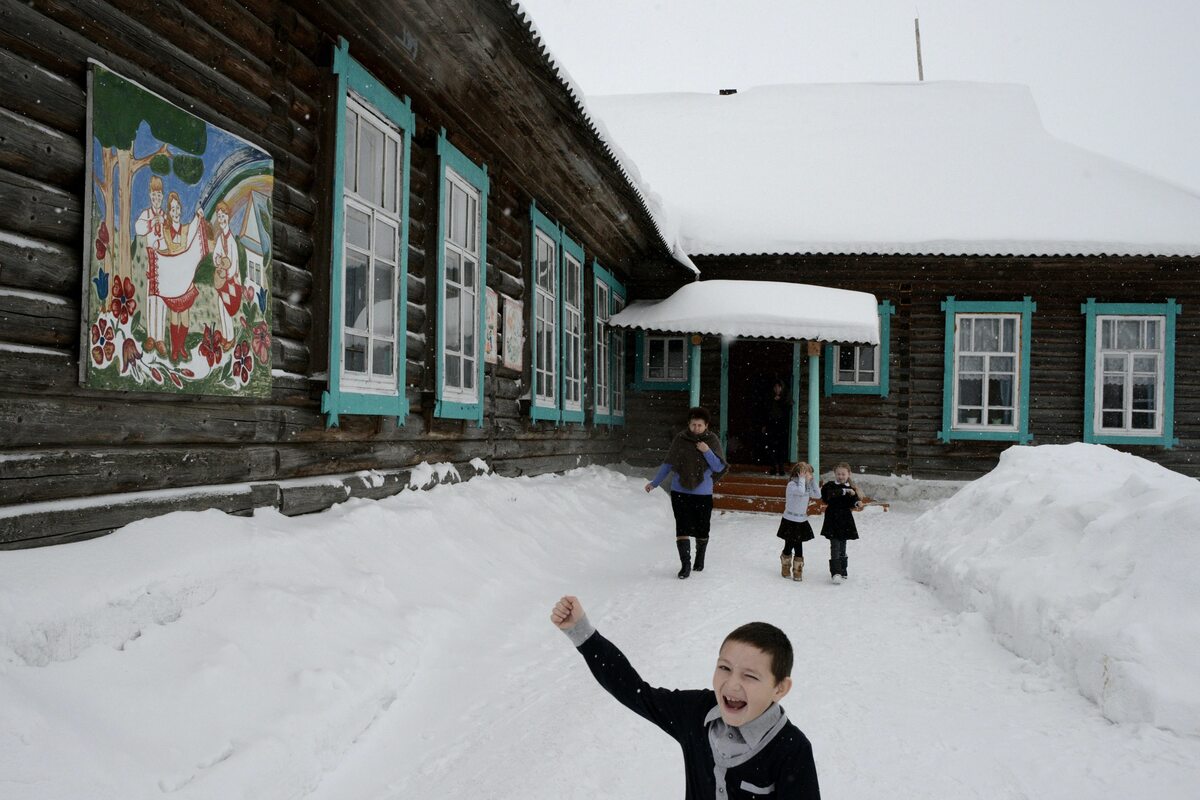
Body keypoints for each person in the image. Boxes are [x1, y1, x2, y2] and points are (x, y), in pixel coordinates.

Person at [550, 595, 821, 799]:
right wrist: (581, 633)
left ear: (779, 688)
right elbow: (635, 691)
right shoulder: (697, 712)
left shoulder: (791, 750)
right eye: (724, 668)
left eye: (750, 676)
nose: (732, 684)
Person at [645, 406, 727, 579]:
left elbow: (719, 466)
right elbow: (668, 464)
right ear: (688, 424)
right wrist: (655, 483)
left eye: (699, 425)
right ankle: (685, 565)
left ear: (706, 425)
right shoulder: (680, 439)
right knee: (682, 527)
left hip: (703, 493)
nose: (696, 428)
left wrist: (707, 451)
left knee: (702, 528)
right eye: (693, 425)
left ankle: (700, 558)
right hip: (680, 491)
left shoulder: (711, 441)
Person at [134, 176, 168, 356]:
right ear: (150, 196)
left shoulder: (165, 217)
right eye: (154, 195)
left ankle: (160, 337)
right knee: (151, 297)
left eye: (159, 196)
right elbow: (138, 228)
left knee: (161, 299)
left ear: (162, 197)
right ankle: (151, 336)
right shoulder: (147, 214)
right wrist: (150, 224)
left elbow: (171, 237)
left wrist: (165, 226)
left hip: (163, 260)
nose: (156, 199)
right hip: (151, 260)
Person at [820, 462, 864, 584]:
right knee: (835, 545)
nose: (840, 476)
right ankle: (836, 573)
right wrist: (843, 491)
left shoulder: (851, 488)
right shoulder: (829, 486)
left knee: (843, 544)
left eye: (843, 474)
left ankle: (843, 569)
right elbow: (827, 497)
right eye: (838, 474)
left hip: (845, 519)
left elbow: (852, 501)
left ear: (848, 474)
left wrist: (857, 503)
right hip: (833, 519)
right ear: (835, 474)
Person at [777, 461, 821, 581]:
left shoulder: (806, 485)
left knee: (799, 545)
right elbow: (800, 491)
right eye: (808, 473)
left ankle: (798, 570)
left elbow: (818, 495)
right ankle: (785, 565)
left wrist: (812, 481)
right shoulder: (792, 485)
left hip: (801, 520)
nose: (810, 475)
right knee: (789, 544)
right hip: (790, 520)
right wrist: (802, 479)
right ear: (800, 474)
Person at [759, 380, 790, 475]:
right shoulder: (769, 398)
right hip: (771, 426)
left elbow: (787, 409)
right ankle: (773, 467)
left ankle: (781, 468)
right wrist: (764, 425)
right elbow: (766, 412)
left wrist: (780, 400)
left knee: (781, 448)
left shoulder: (785, 398)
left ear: (782, 388)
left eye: (779, 387)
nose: (777, 389)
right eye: (775, 387)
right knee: (771, 447)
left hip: (781, 427)